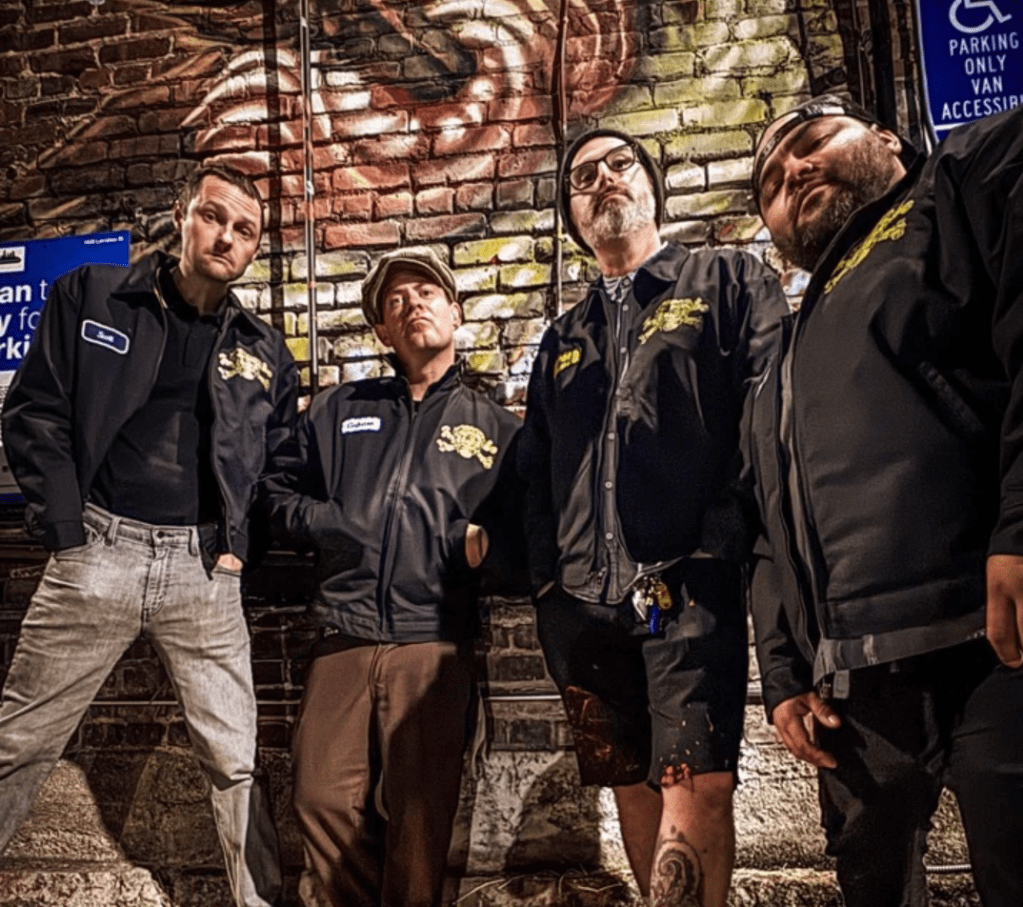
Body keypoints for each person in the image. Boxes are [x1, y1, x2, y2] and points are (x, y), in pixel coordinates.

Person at [745, 94, 1023, 907]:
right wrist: (785, 671)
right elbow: (769, 526)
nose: (793, 170)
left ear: (885, 137)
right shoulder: (780, 357)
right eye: (771, 182)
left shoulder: (956, 186)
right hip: (855, 685)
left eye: (811, 140)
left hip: (994, 638)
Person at [0, 164, 295, 907]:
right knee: (19, 743)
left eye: (244, 230)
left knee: (236, 763)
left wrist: (238, 547)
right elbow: (35, 412)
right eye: (213, 216)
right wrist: (66, 530)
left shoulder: (263, 349)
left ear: (254, 248)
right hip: (96, 551)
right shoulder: (94, 295)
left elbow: (281, 463)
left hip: (204, 570)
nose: (225, 237)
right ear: (181, 214)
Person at [517, 128, 786, 906]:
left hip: (684, 587)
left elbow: (768, 412)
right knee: (628, 779)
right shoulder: (562, 338)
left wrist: (718, 541)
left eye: (619, 163)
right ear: (571, 216)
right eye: (582, 177)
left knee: (691, 775)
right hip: (580, 605)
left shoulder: (726, 280)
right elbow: (535, 468)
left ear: (651, 185)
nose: (602, 179)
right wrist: (544, 582)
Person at [265, 248, 522, 907]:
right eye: (395, 301)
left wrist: (479, 549)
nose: (412, 305)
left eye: (426, 292)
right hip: (344, 632)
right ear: (381, 330)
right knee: (319, 795)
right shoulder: (338, 409)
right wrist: (334, 524)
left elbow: (528, 536)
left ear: (455, 313)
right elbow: (276, 492)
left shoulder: (496, 428)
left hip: (433, 640)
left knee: (419, 815)